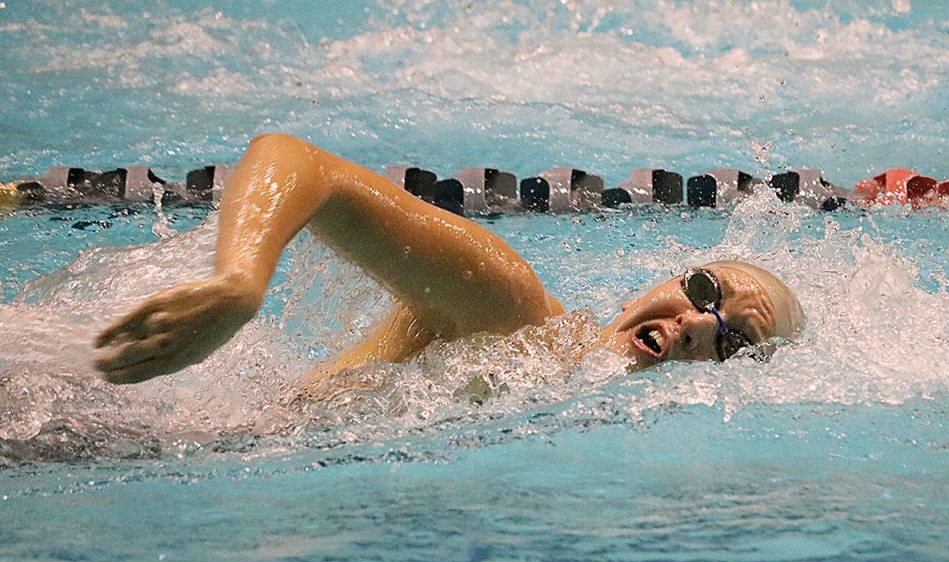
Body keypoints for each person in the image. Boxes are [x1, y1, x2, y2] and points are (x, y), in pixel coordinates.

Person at [93, 133, 804, 385]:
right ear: (663, 280)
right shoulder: (512, 310)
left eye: (736, 342)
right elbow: (299, 161)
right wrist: (242, 282)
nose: (698, 326)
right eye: (704, 290)